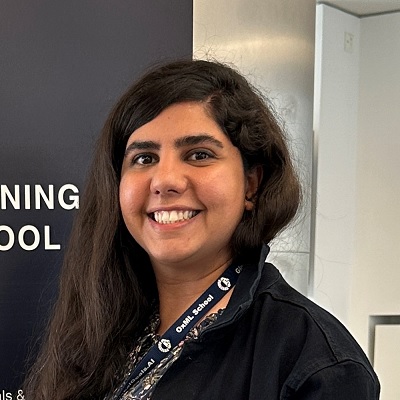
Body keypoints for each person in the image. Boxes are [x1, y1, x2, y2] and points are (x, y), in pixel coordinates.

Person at [24, 59, 380, 399]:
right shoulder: (101, 325)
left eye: (199, 155)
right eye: (144, 158)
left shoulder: (316, 364)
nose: (165, 180)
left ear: (251, 184)